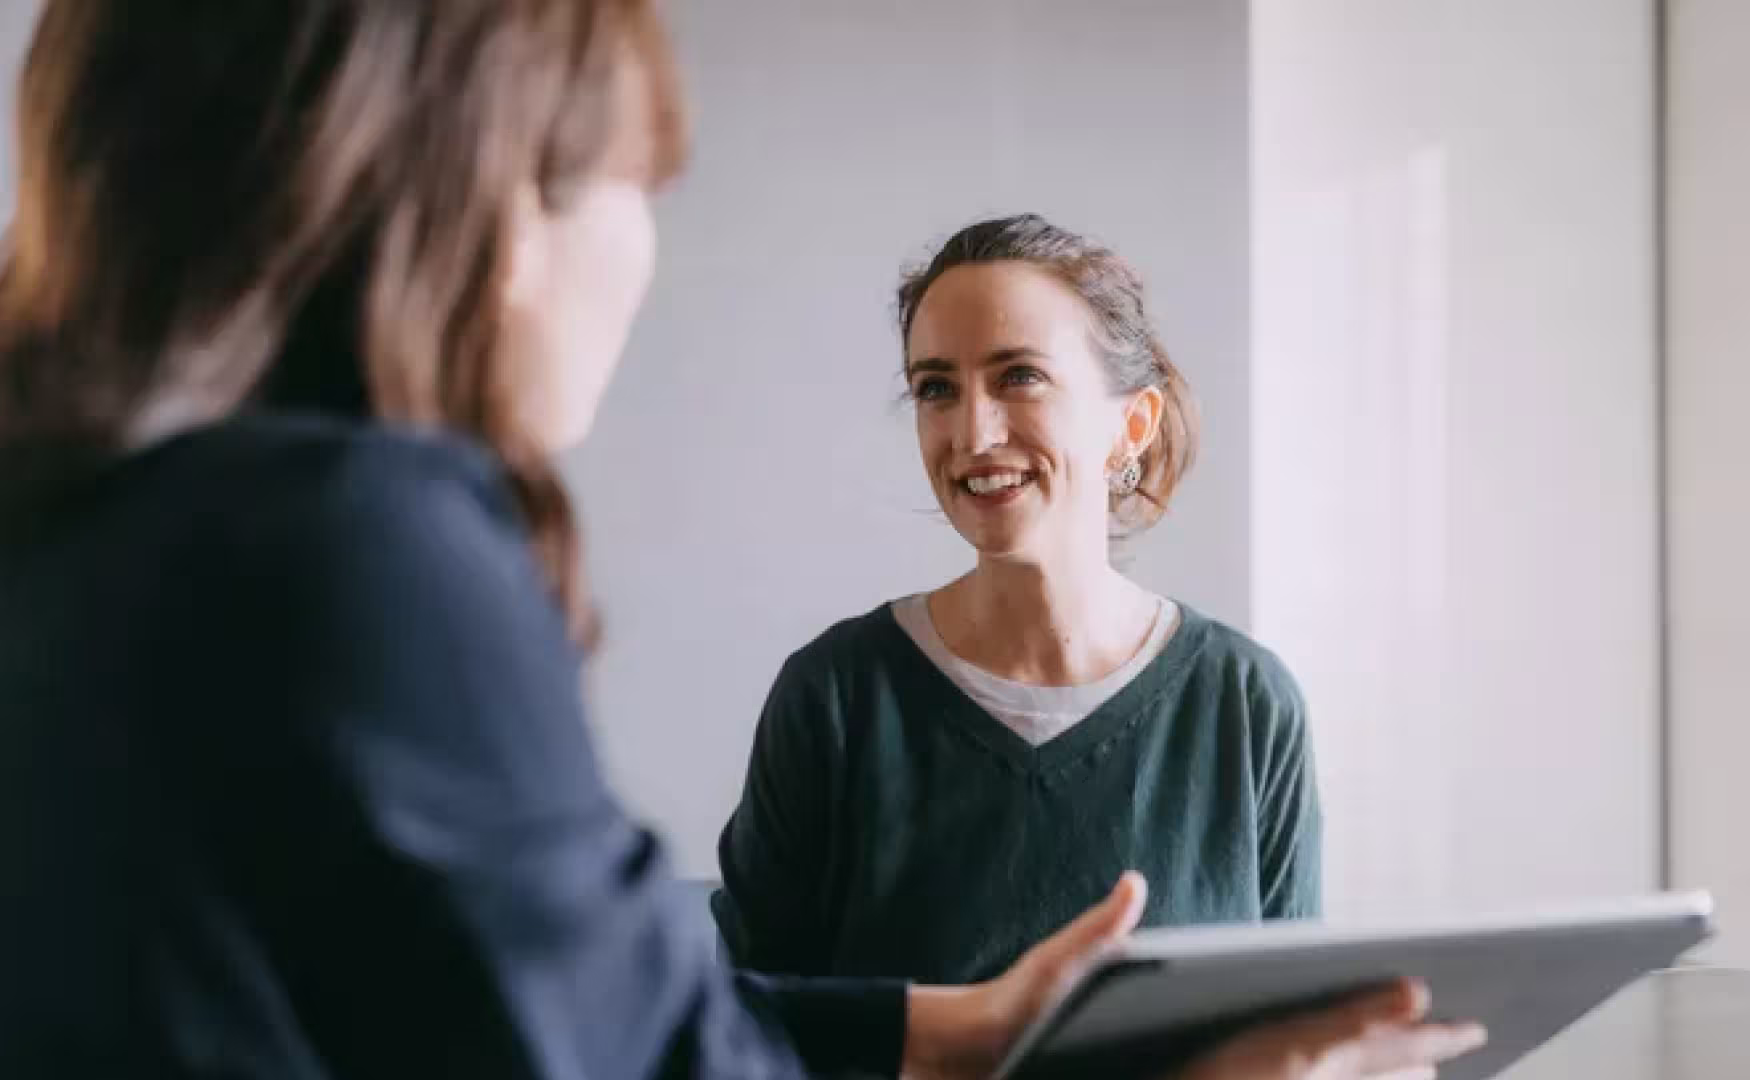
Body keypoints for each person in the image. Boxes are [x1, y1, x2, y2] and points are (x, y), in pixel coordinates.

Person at [0, 2, 1483, 1079]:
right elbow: (648, 1046)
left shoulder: (92, 536)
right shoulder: (356, 550)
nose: (642, 254)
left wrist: (961, 1030)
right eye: (634, 183)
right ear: (489, 198)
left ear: (1133, 424)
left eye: (1019, 378)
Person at [714, 215, 1321, 986]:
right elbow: (734, 1029)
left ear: (1130, 426)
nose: (972, 432)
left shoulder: (1245, 703)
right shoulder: (835, 697)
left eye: (1018, 377)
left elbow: (1296, 1032)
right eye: (936, 388)